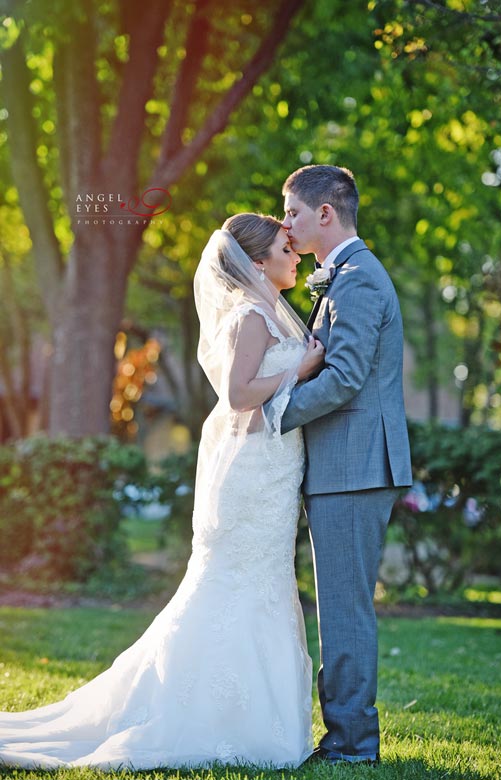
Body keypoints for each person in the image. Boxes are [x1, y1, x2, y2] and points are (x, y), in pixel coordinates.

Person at [0, 213, 324, 770]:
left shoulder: (270, 312)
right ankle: (208, 715)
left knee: (261, 585)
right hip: (251, 478)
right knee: (238, 586)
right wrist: (306, 367)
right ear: (255, 262)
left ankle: (247, 716)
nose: (294, 255)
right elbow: (240, 393)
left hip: (269, 472)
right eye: (283, 248)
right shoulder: (250, 316)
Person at [280, 164, 412, 765]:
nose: (287, 225)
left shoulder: (357, 279)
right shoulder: (346, 275)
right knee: (339, 604)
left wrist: (275, 411)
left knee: (344, 608)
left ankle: (353, 743)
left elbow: (345, 377)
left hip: (356, 467)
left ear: (324, 213)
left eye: (294, 213)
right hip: (347, 466)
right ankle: (345, 734)